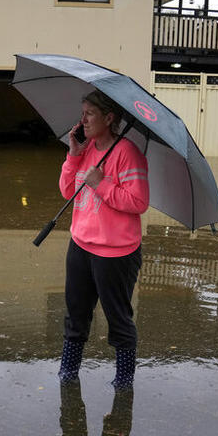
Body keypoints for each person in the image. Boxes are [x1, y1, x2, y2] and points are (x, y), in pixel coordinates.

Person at [57, 90, 149, 389]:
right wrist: (73, 155)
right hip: (80, 246)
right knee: (76, 316)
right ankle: (68, 373)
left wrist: (102, 183)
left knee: (119, 320)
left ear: (109, 118)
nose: (82, 120)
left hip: (116, 254)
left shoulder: (128, 153)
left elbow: (138, 202)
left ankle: (124, 382)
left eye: (89, 114)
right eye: (82, 113)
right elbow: (67, 192)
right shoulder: (86, 149)